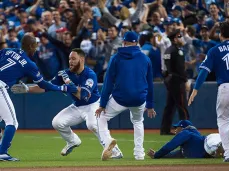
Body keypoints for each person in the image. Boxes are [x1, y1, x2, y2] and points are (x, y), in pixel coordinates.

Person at [11, 48, 123, 159]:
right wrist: (27, 89)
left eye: (74, 59)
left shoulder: (90, 74)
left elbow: (82, 95)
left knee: (92, 124)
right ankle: (73, 141)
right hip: (77, 106)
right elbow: (46, 87)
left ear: (82, 59)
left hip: (92, 105)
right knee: (57, 122)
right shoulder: (65, 74)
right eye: (70, 59)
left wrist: (68, 84)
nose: (71, 61)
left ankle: (115, 151)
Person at [0, 34, 77, 161]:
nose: (36, 49)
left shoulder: (7, 51)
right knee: (12, 122)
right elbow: (43, 84)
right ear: (30, 46)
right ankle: (2, 152)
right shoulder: (29, 64)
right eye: (35, 46)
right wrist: (62, 88)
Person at [95, 31, 156, 161]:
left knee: (101, 117)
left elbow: (108, 83)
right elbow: (150, 83)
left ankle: (108, 142)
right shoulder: (145, 58)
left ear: (124, 42)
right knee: (138, 122)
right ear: (137, 42)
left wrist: (102, 104)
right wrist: (150, 105)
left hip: (120, 98)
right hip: (139, 99)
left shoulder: (116, 57)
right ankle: (139, 154)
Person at [188, 21, 229, 162]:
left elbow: (203, 72)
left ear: (220, 34)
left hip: (225, 88)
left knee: (223, 121)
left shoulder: (215, 50)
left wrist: (195, 90)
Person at [147, 120, 229, 159]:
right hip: (209, 146)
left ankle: (219, 148)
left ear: (183, 128)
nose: (175, 130)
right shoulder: (186, 147)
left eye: (177, 127)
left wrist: (157, 155)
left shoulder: (186, 133)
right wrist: (157, 155)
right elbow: (174, 154)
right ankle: (221, 148)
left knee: (217, 146)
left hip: (209, 141)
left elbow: (170, 146)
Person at [160, 29, 190, 135]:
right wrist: (186, 80)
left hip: (169, 79)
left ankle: (165, 129)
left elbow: (166, 68)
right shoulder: (177, 51)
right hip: (177, 81)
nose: (181, 38)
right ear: (175, 39)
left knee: (170, 106)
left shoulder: (168, 50)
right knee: (182, 106)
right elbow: (180, 68)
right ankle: (187, 129)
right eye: (179, 36)